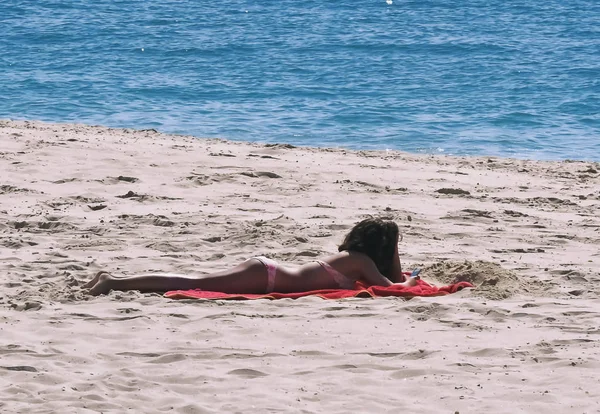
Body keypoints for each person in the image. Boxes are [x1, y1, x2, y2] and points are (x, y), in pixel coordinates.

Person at [84, 217, 418, 295]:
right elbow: (394, 287)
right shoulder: (363, 262)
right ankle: (113, 282)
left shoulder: (353, 257)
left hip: (268, 269)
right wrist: (406, 267)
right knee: (190, 282)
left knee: (194, 281)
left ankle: (111, 281)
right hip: (267, 276)